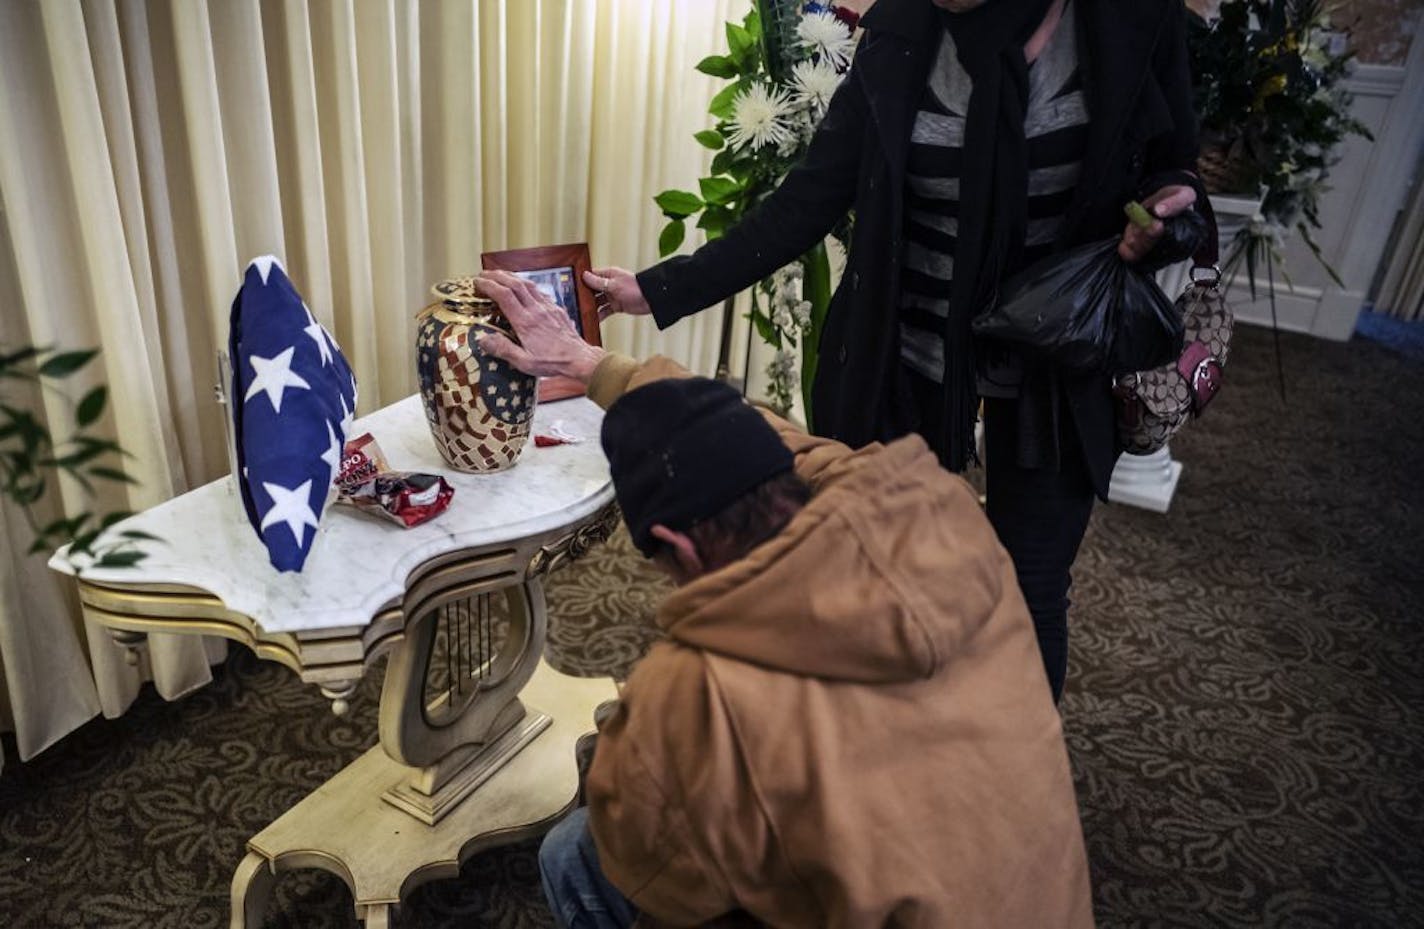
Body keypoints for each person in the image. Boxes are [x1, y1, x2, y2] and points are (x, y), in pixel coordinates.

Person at [579, 0, 1203, 702]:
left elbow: (1177, 173)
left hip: (1055, 372)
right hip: (901, 361)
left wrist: (1170, 213)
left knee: (1029, 599)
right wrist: (655, 289)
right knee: (873, 575)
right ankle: (882, 762)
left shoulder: (1131, 21)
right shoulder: (901, 32)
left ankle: (1003, 789)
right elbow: (807, 202)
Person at [474, 270, 1095, 928]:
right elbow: (786, 443)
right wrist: (593, 363)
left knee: (574, 852)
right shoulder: (937, 509)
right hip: (1044, 899)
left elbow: (657, 869)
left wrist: (637, 741)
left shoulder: (700, 694)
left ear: (676, 549)